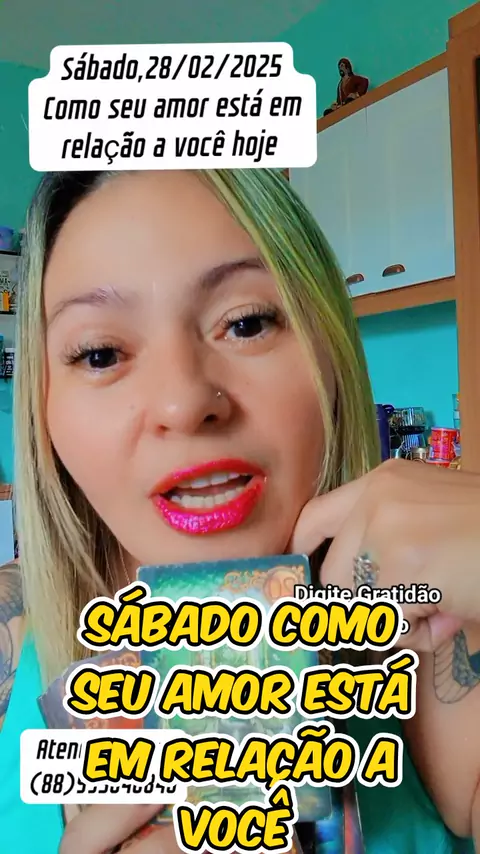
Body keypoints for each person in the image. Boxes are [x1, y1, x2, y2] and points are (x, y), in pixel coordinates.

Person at [0, 168, 478, 854]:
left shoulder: (433, 631)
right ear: (43, 410)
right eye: (101, 353)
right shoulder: (12, 647)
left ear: (331, 354)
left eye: (247, 323)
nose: (183, 402)